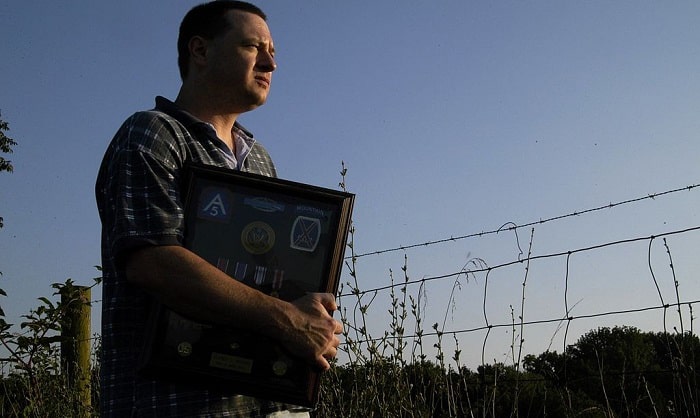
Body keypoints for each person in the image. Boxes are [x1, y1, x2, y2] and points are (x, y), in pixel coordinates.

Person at [95, 1, 342, 416]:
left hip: (264, 404)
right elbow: (152, 263)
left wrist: (312, 317)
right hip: (175, 406)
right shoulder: (152, 134)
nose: (270, 63)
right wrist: (288, 320)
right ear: (201, 51)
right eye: (253, 46)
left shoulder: (259, 158)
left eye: (274, 51)